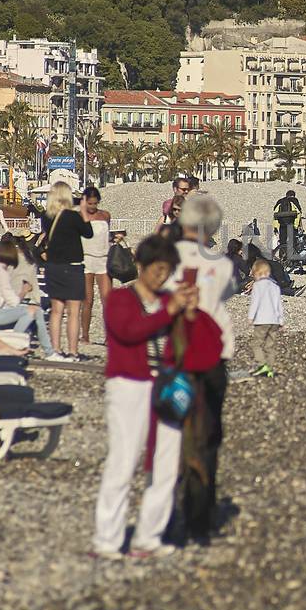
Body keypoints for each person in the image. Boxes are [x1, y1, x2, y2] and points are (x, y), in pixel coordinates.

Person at [93, 235, 200, 560]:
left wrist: (190, 314)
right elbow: (129, 332)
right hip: (129, 384)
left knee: (166, 463)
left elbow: (189, 343)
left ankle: (148, 537)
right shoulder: (121, 299)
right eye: (157, 270)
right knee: (123, 461)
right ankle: (107, 539)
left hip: (166, 386)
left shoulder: (169, 299)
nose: (161, 276)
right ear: (141, 266)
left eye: (166, 271)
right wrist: (170, 311)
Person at [171, 194, 237, 542]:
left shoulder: (169, 258)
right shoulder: (222, 264)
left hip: (180, 352)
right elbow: (224, 294)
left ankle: (174, 512)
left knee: (175, 434)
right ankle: (203, 516)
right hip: (214, 351)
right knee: (209, 436)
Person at [35, 182, 94, 359]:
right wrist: (83, 210)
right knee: (73, 312)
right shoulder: (72, 216)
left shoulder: (46, 217)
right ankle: (73, 351)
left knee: (56, 310)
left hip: (53, 267)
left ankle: (55, 350)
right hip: (72, 266)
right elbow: (88, 233)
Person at [79, 185, 112, 345]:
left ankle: (108, 336)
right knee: (88, 300)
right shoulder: (80, 216)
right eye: (90, 203)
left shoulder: (105, 215)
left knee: (107, 300)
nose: (92, 207)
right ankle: (85, 335)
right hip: (86, 259)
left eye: (95, 203)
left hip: (103, 259)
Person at [246, 258, 283, 378]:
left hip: (261, 320)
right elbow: (278, 305)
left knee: (256, 344)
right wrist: (281, 320)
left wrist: (251, 317)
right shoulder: (275, 286)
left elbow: (255, 303)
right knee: (270, 346)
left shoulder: (257, 286)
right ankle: (270, 369)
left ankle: (262, 365)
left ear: (256, 274)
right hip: (274, 321)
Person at [272, 189, 301, 262]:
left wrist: (275, 227)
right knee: (292, 242)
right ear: (293, 195)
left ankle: (282, 258)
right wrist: (296, 225)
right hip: (291, 224)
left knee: (282, 241)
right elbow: (298, 213)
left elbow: (275, 215)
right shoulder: (294, 200)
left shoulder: (280, 201)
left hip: (282, 225)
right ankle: (293, 260)